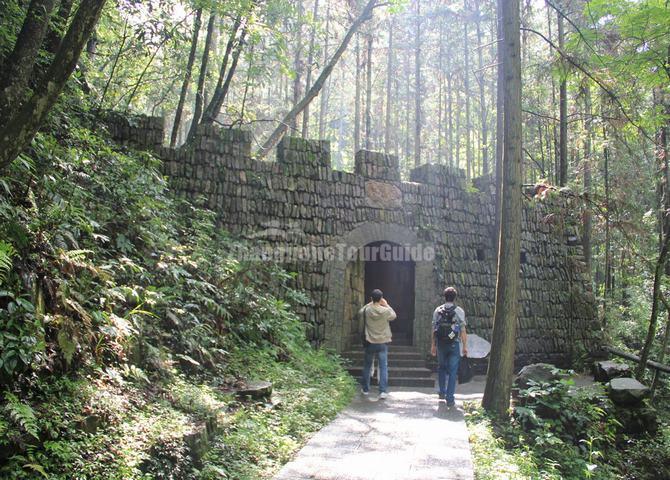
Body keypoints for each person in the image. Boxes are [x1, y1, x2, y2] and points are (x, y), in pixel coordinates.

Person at [431, 287, 468, 407]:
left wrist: (433, 345)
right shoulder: (459, 311)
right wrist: (465, 346)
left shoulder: (438, 310)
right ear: (454, 297)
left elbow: (434, 329)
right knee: (453, 371)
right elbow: (462, 330)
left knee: (441, 367)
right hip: (454, 344)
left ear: (444, 296)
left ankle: (442, 392)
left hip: (441, 343)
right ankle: (450, 398)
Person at [359, 289, 396, 399]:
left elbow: (360, 312)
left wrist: (371, 302)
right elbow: (394, 315)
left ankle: (365, 389)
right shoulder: (385, 311)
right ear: (381, 299)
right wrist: (387, 304)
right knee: (383, 367)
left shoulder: (367, 310)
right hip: (382, 342)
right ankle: (382, 391)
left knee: (367, 366)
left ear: (371, 298)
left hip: (370, 341)